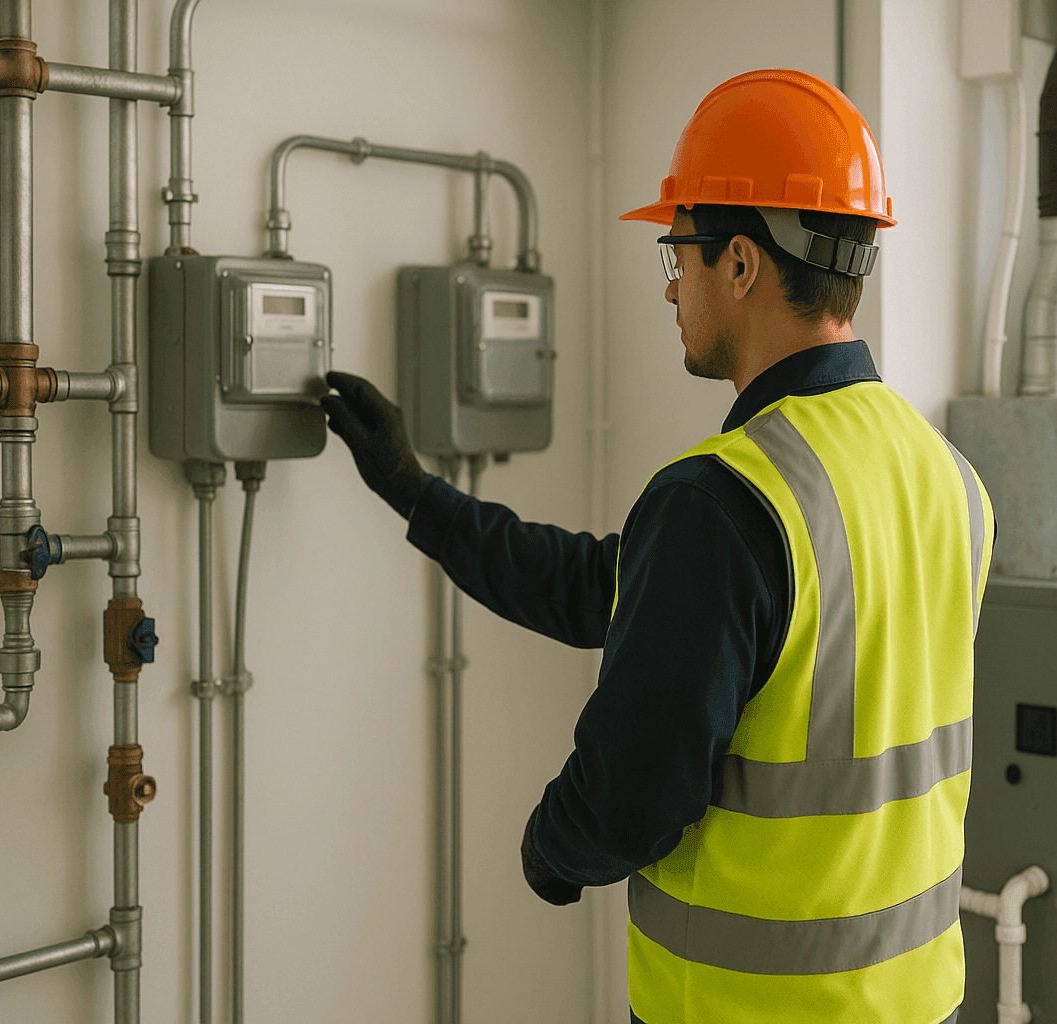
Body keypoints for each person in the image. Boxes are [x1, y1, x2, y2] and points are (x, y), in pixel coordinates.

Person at [322, 68, 993, 1024]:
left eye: (680, 251)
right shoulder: (947, 477)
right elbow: (611, 586)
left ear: (743, 265)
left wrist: (552, 849)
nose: (672, 284)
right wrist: (415, 492)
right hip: (914, 1002)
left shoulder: (725, 499)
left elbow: (635, 796)